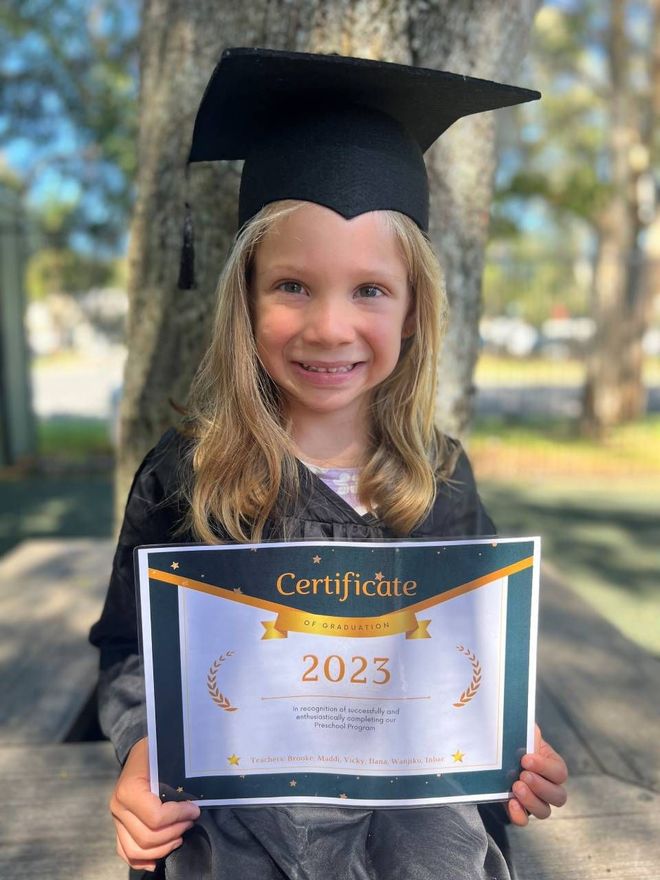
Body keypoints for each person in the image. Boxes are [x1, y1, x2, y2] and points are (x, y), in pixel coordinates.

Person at [90, 48, 568, 879]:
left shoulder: (440, 479)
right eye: (292, 287)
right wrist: (141, 750)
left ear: (416, 305)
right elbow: (132, 652)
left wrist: (510, 734)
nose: (329, 328)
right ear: (243, 295)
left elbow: (477, 652)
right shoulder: (186, 478)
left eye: (370, 291)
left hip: (410, 815)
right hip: (244, 818)